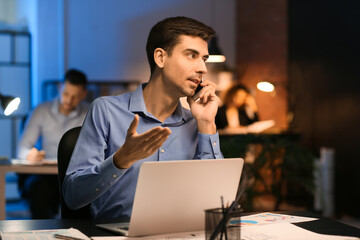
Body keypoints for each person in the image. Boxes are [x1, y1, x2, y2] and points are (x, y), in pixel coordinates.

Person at [63, 16, 223, 219]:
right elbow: (72, 196)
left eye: (204, 58)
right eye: (192, 55)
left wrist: (207, 123)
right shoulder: (106, 111)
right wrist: (121, 160)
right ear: (160, 58)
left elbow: (216, 200)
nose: (203, 68)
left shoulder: (197, 122)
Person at [17, 69, 88, 219]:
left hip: (77, 173)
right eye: (66, 94)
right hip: (45, 175)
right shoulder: (41, 110)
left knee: (87, 191)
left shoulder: (90, 113)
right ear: (59, 87)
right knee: (38, 190)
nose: (69, 101)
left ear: (83, 94)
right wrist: (29, 154)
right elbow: (22, 148)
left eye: (75, 97)